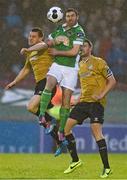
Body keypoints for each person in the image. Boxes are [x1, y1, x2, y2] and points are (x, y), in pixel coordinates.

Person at [63, 39, 116, 178]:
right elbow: (84, 87)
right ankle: (75, 160)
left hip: (96, 104)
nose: (81, 48)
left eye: (84, 46)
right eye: (80, 47)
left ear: (90, 47)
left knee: (96, 133)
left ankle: (107, 168)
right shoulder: (80, 65)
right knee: (65, 129)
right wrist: (78, 99)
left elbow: (112, 80)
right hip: (83, 103)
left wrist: (101, 95)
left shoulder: (99, 62)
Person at [5, 27, 61, 150]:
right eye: (30, 36)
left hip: (48, 81)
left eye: (34, 36)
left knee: (31, 107)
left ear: (41, 38)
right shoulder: (31, 54)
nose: (30, 38)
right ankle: (57, 132)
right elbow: (26, 69)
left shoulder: (44, 46)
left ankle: (51, 120)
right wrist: (14, 81)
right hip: (40, 84)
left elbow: (42, 46)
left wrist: (28, 49)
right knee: (40, 112)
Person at [38, 8, 85, 148]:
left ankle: (61, 131)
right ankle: (41, 115)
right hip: (57, 64)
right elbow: (49, 41)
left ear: (77, 17)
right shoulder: (60, 28)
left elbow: (74, 52)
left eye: (72, 16)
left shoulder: (79, 32)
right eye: (67, 16)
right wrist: (49, 42)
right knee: (49, 83)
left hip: (71, 69)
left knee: (66, 101)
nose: (69, 18)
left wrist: (56, 50)